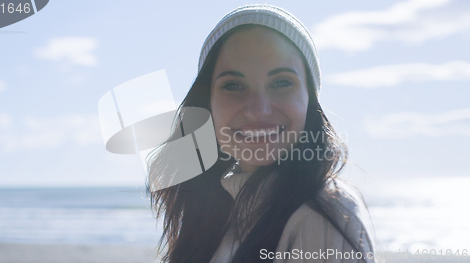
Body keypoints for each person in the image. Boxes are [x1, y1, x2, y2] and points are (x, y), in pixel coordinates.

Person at [148, 4, 376, 263]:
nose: (258, 110)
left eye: (281, 83)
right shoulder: (218, 215)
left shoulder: (325, 213)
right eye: (233, 85)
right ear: (207, 104)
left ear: (310, 101)